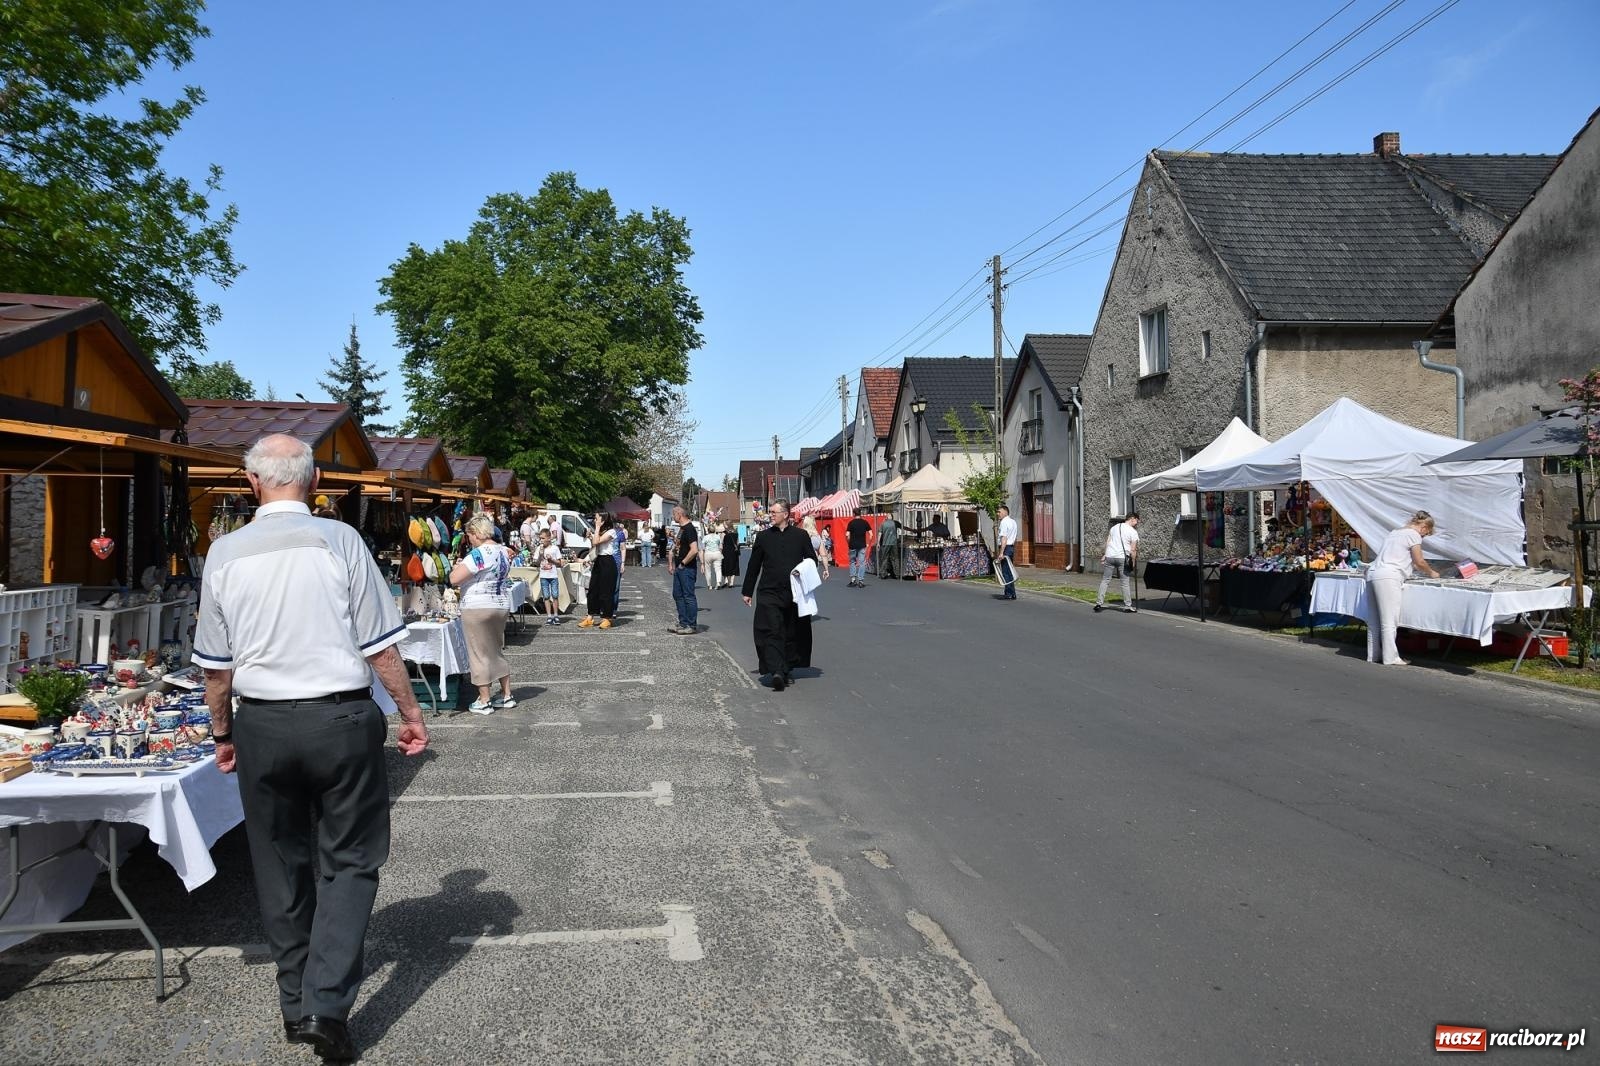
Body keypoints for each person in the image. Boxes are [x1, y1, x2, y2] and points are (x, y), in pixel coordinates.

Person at [194, 434, 428, 1063]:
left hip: (263, 722)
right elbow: (381, 647)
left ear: (251, 483)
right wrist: (410, 713)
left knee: (279, 865)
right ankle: (326, 1004)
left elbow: (216, 670)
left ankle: (297, 1003)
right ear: (315, 478)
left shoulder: (224, 552)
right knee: (349, 861)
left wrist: (222, 734)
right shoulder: (342, 542)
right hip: (340, 717)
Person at [741, 499, 817, 692]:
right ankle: (776, 670)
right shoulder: (764, 537)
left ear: (785, 514)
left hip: (794, 592)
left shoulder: (800, 536)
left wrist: (802, 570)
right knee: (772, 629)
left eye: (774, 512)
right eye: (770, 512)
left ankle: (786, 667)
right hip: (769, 591)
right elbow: (754, 564)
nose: (771, 515)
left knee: (791, 631)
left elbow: (811, 560)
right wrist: (747, 591)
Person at [449, 514, 516, 713]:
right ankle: (506, 695)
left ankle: (484, 699)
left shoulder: (478, 554)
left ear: (477, 534)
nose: (468, 539)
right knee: (495, 650)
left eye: (469, 535)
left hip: (478, 605)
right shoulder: (504, 551)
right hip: (500, 603)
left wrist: (457, 568)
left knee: (478, 653)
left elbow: (454, 579)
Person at [1366, 510, 1439, 666]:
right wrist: (1432, 572)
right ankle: (1390, 657)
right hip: (1388, 575)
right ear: (1424, 527)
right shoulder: (1414, 534)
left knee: (1373, 620)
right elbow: (1419, 561)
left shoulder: (1395, 532)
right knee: (1389, 620)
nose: (1424, 537)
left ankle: (1373, 655)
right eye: (1426, 534)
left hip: (1373, 573)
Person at [578, 512, 619, 630]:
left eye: (597, 518)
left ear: (603, 520)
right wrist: (590, 536)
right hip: (599, 560)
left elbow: (597, 541)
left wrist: (596, 528)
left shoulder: (611, 532)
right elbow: (594, 545)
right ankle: (590, 617)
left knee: (606, 591)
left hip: (608, 562)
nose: (595, 520)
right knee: (592, 589)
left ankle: (607, 618)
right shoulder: (599, 532)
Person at [1094, 512, 1140, 614]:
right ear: (1132, 519)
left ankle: (1098, 603)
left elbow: (1108, 541)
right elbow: (1133, 549)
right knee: (1124, 583)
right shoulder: (1133, 532)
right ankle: (1127, 606)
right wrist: (1133, 561)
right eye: (1136, 521)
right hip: (1122, 558)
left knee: (1105, 580)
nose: (1136, 523)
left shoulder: (1114, 528)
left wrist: (1105, 554)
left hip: (1110, 556)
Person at [669, 505, 700, 633]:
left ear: (679, 514)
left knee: (688, 596)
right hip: (679, 568)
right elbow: (680, 544)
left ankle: (691, 625)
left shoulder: (690, 529)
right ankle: (683, 622)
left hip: (686, 568)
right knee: (677, 594)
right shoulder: (682, 529)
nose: (673, 516)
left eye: (673, 514)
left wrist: (683, 563)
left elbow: (694, 550)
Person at [536, 528, 563, 626]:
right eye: (540, 538)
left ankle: (556, 615)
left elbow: (560, 563)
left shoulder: (555, 548)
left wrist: (552, 560)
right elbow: (536, 563)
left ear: (549, 538)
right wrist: (540, 555)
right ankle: (549, 616)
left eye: (543, 538)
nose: (541, 540)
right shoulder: (539, 548)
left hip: (553, 575)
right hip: (543, 576)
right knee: (546, 596)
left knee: (555, 595)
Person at [996, 503, 1019, 600]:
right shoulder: (1013, 522)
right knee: (1009, 571)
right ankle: (1012, 593)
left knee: (1006, 571)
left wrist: (1001, 552)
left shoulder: (1004, 522)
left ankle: (1009, 593)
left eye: (999, 512)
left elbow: (1004, 538)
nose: (998, 514)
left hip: (1006, 547)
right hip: (1011, 547)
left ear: (1005, 512)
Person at [845, 508, 873, 587]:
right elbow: (871, 534)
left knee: (852, 562)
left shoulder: (851, 523)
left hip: (852, 545)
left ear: (854, 514)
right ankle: (861, 581)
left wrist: (848, 543)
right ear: (860, 514)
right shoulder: (865, 522)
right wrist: (868, 543)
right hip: (862, 545)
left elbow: (847, 535)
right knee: (861, 563)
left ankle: (853, 580)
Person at [703, 521, 725, 590]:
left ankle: (709, 585)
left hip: (708, 553)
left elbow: (703, 547)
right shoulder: (718, 537)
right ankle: (718, 582)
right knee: (718, 569)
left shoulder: (705, 537)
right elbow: (721, 546)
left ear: (708, 530)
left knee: (708, 570)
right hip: (717, 553)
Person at [877, 515, 899, 579]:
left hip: (885, 543)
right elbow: (904, 527)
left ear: (886, 517)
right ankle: (897, 574)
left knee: (884, 558)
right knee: (895, 558)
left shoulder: (883, 523)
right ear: (892, 517)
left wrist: (878, 543)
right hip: (894, 543)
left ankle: (883, 574)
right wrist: (912, 530)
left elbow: (880, 534)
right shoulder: (895, 523)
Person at [721, 523, 741, 588]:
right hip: (734, 552)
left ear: (727, 526)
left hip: (726, 552)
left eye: (724, 524)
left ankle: (726, 581)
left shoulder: (724, 533)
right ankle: (731, 583)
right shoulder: (736, 533)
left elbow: (721, 543)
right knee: (733, 566)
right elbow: (738, 543)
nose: (723, 525)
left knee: (725, 565)